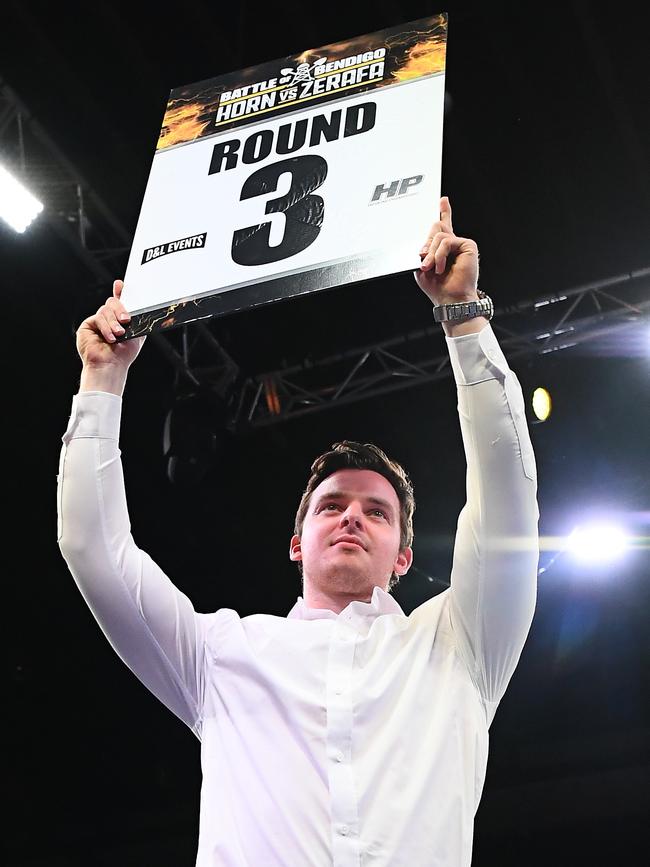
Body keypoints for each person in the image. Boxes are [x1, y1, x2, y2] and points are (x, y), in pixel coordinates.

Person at [57, 197, 539, 866]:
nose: (351, 516)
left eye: (376, 511)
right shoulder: (220, 654)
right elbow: (93, 549)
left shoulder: (460, 643)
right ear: (296, 541)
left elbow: (509, 498)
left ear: (403, 555)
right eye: (332, 504)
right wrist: (102, 380)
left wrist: (463, 317)